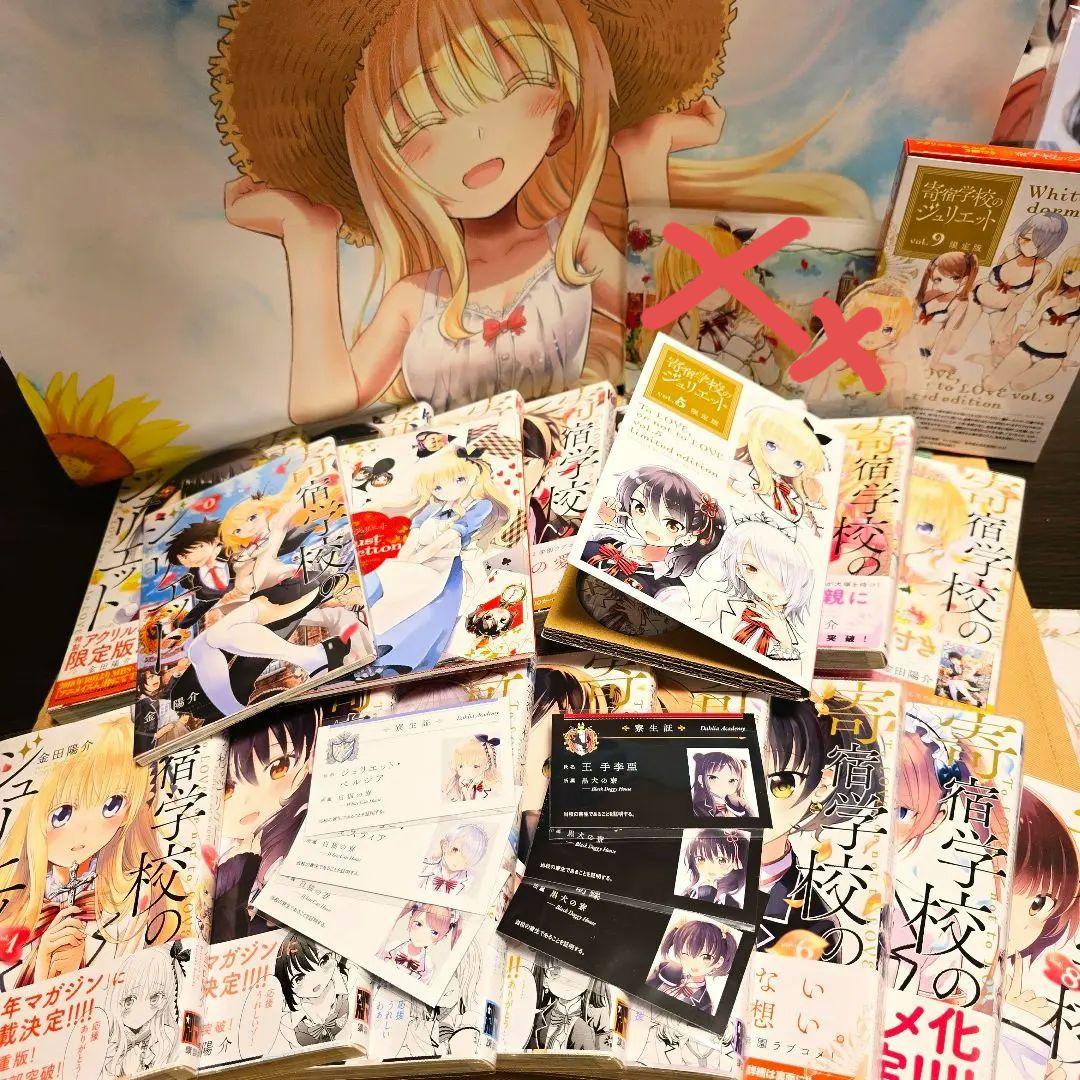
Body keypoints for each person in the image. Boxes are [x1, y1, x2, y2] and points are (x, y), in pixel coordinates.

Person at [211, 0, 871, 424]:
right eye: (418, 124)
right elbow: (322, 407)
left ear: (563, 114)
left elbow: (666, 331)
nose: (476, 139)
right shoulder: (416, 297)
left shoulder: (571, 249)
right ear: (383, 160)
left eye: (514, 86)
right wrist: (309, 240)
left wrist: (645, 163)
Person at [0, 717, 188, 989]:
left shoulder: (133, 896)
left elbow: (135, 990)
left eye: (111, 805)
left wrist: (76, 971)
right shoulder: (13, 911)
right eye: (62, 814)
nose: (84, 832)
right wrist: (43, 970)